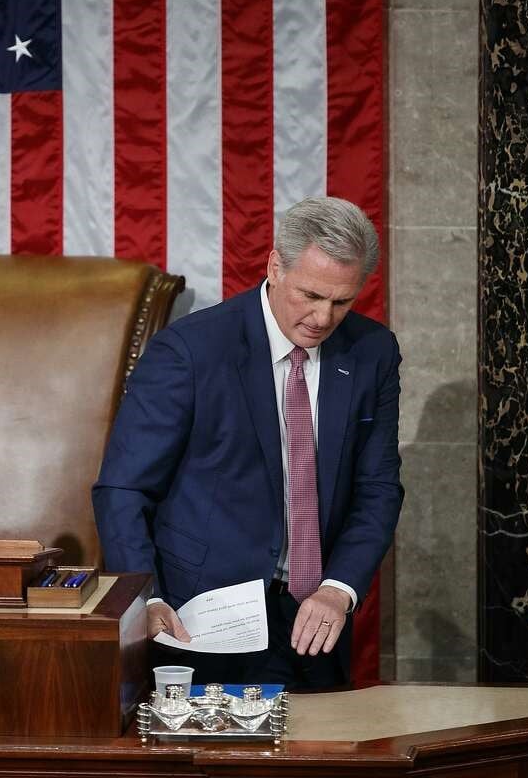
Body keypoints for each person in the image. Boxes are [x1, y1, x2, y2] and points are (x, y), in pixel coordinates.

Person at [93, 197, 402, 689]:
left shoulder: (372, 353)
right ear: (275, 267)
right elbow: (123, 489)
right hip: (201, 619)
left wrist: (339, 589)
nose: (323, 318)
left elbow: (378, 488)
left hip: (318, 618)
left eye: (342, 302)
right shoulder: (192, 350)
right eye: (310, 295)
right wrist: (145, 598)